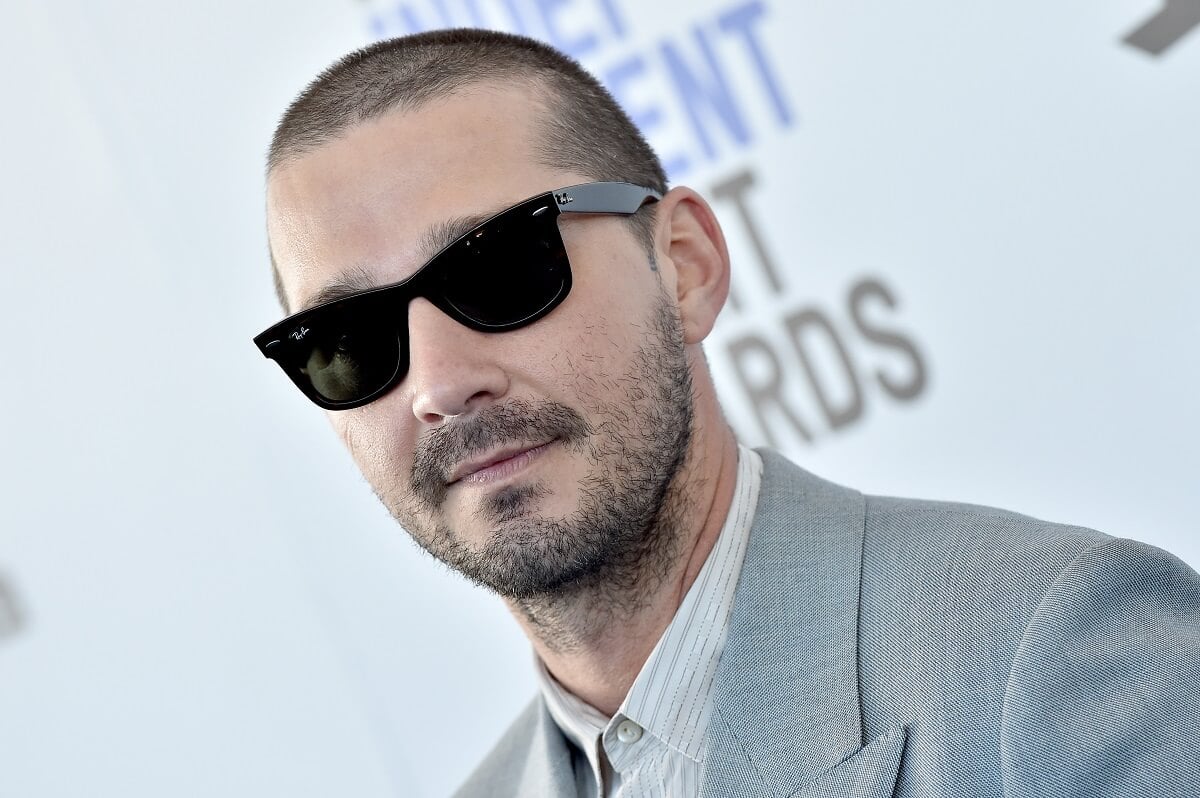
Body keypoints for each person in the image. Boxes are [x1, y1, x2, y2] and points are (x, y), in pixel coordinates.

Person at [253, 28, 1200, 798]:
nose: (438, 383)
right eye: (349, 340)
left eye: (500, 268)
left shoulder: (1057, 657)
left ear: (685, 268)